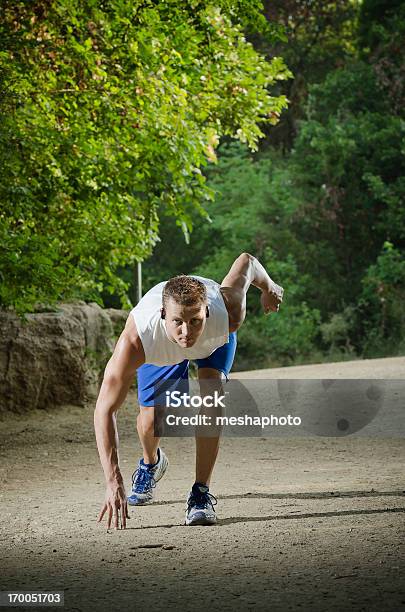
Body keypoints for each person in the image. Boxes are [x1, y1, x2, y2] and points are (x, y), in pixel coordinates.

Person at [94, 252, 283, 529]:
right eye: (178, 322)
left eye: (194, 320)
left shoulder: (227, 312)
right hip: (161, 350)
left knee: (212, 395)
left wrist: (269, 288)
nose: (186, 332)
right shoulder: (138, 340)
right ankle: (150, 464)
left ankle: (200, 493)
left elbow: (247, 262)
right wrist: (113, 480)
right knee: (151, 420)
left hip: (215, 342)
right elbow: (104, 410)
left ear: (205, 311)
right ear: (163, 315)